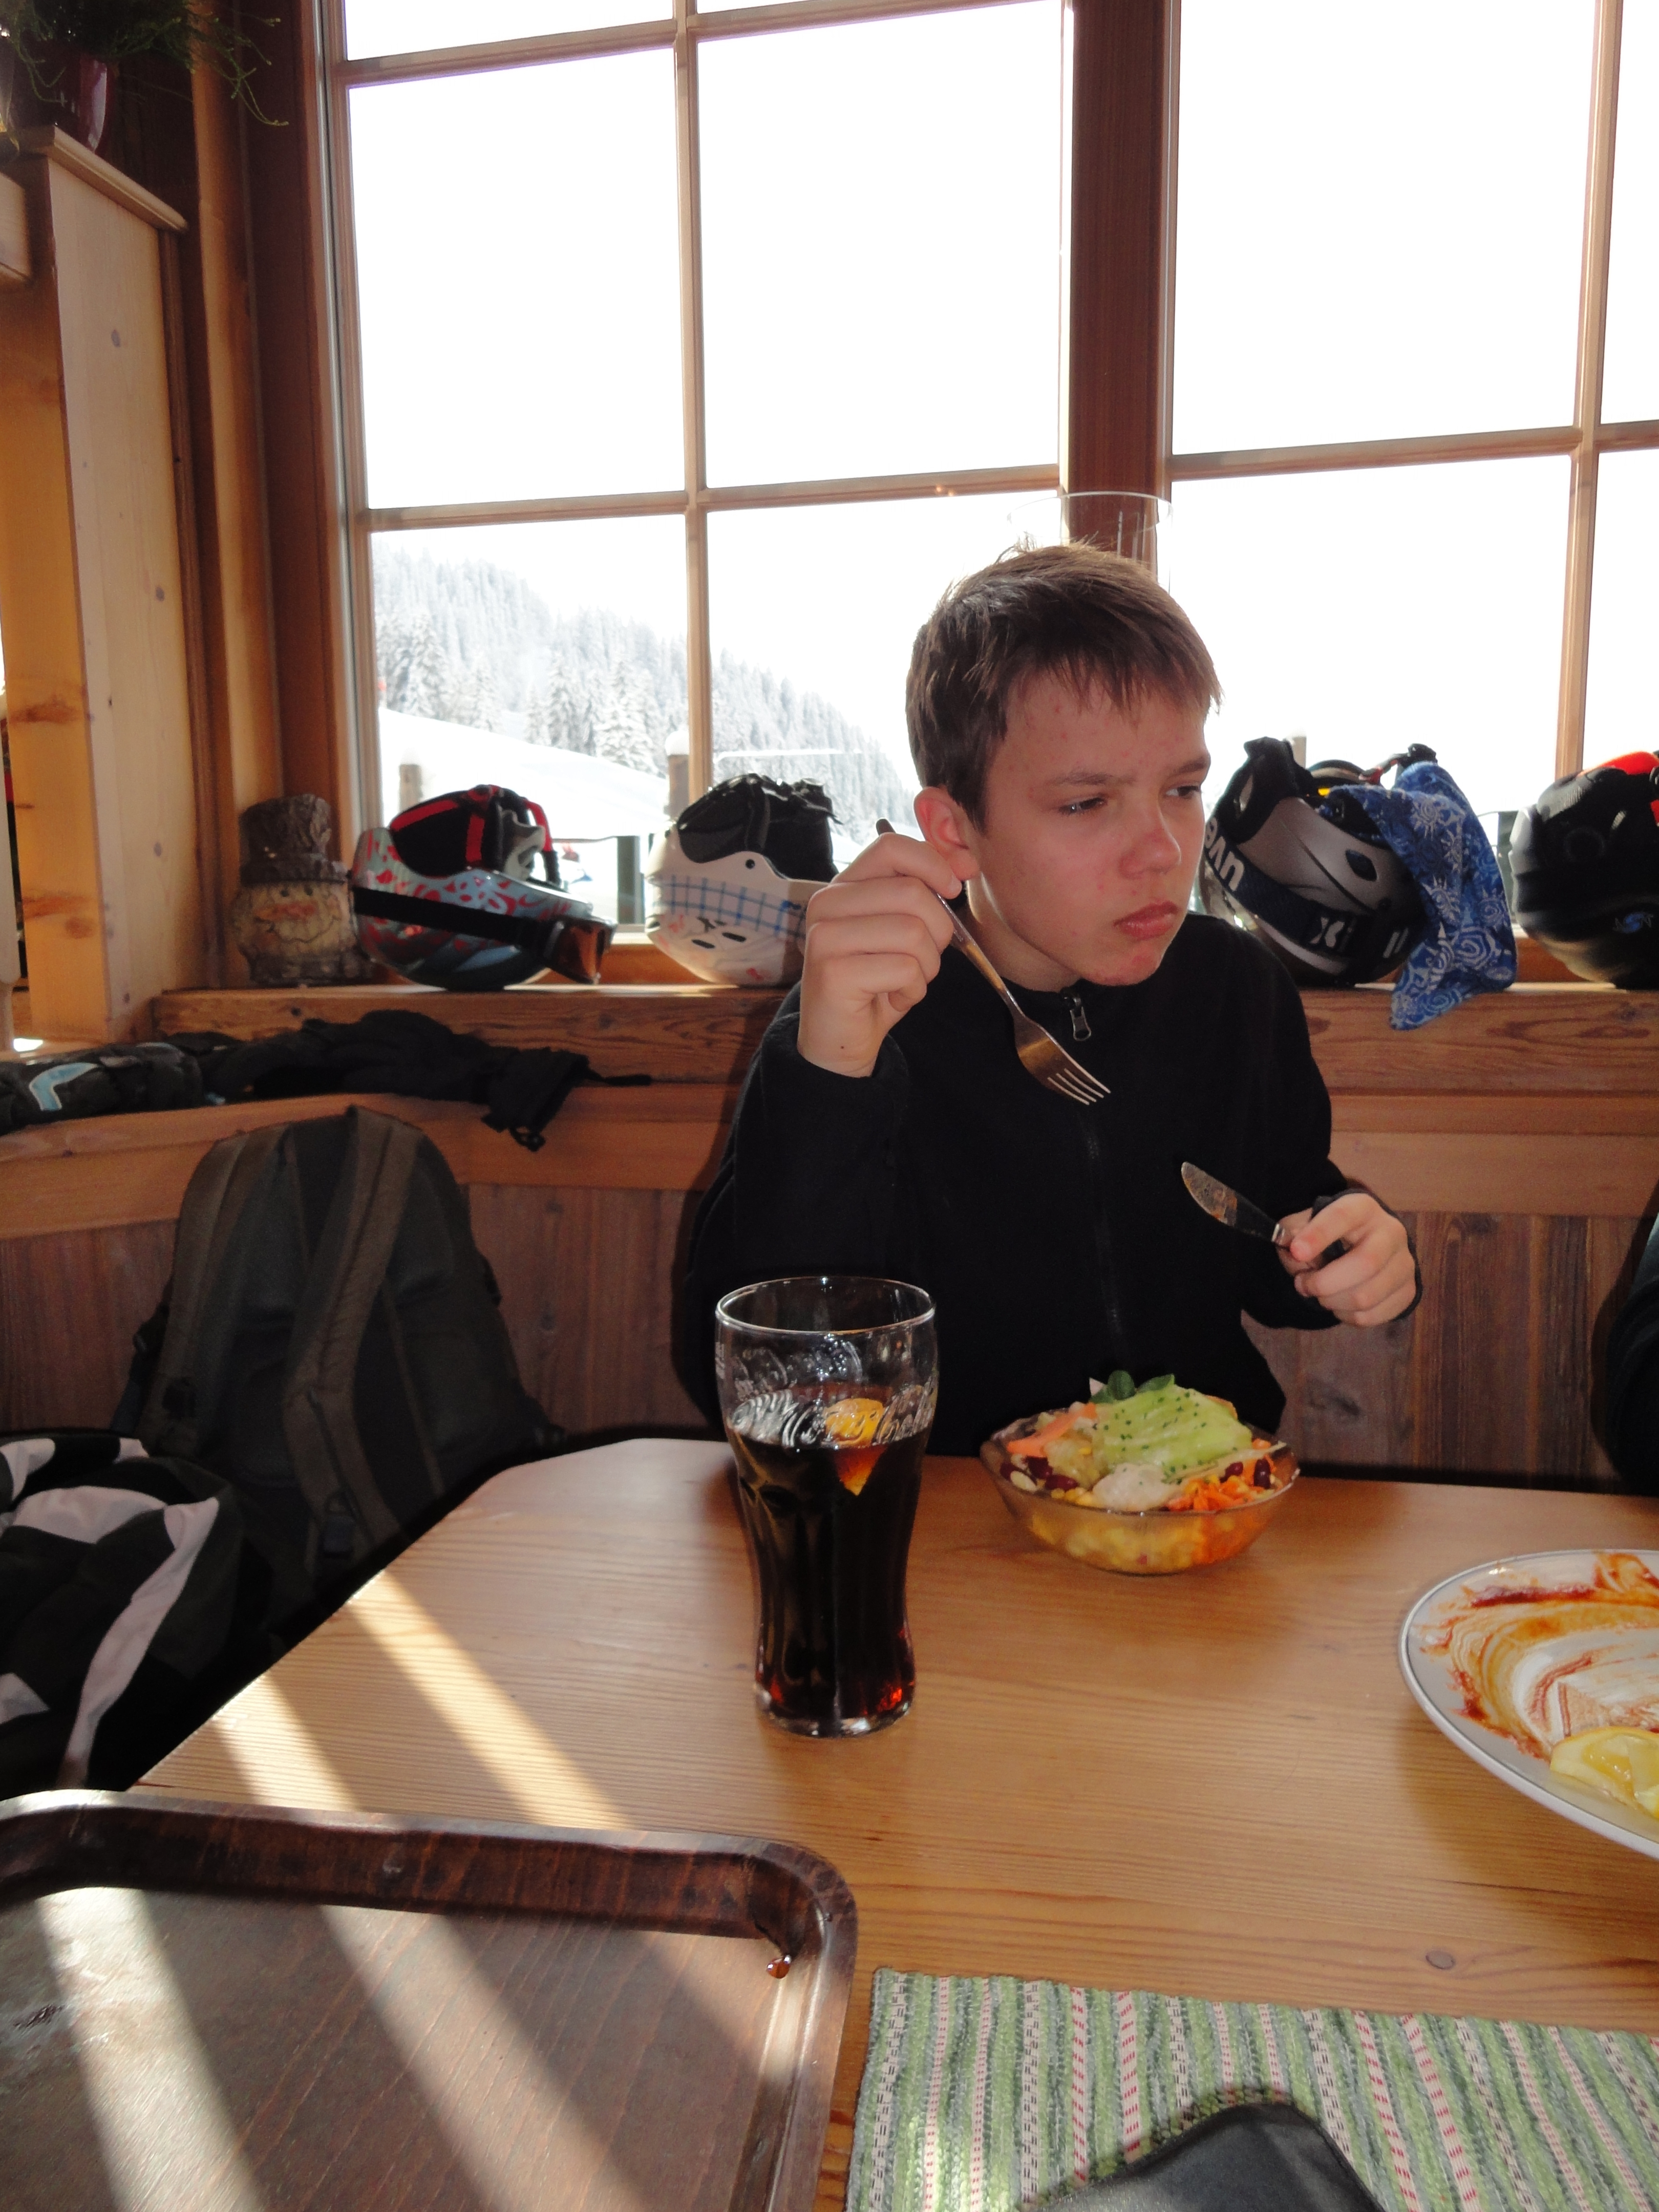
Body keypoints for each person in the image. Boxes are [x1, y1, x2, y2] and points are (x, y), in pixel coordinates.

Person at [683, 543, 1420, 1455]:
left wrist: (1347, 1248)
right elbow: (746, 1378)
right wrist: (828, 1075)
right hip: (953, 1502)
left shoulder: (1235, 987)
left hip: (1200, 1490)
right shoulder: (863, 1018)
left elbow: (1277, 1241)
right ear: (956, 831)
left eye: (1183, 789)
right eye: (1085, 804)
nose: (1163, 851)